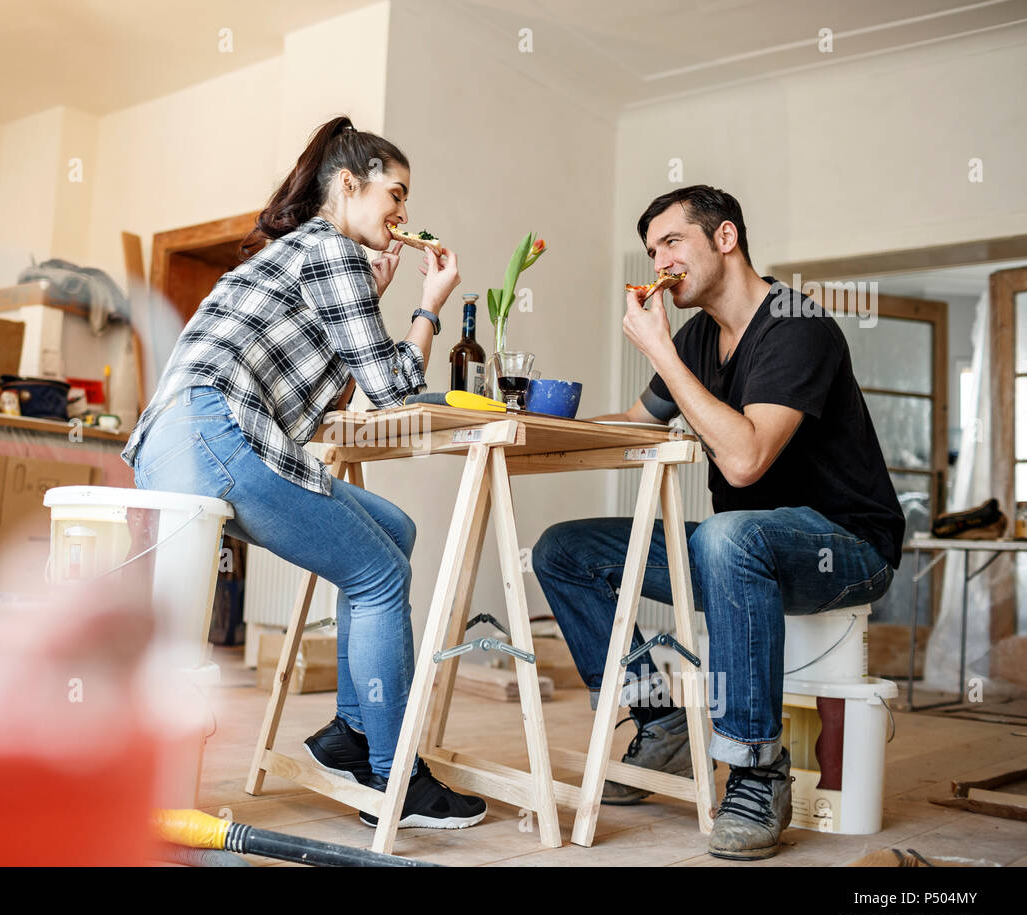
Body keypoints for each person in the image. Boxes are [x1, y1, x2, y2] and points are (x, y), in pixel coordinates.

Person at [123, 116, 487, 830]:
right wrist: (428, 308)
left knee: (395, 530)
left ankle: (351, 734)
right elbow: (390, 388)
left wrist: (380, 305)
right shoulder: (331, 250)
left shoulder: (307, 254)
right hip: (215, 436)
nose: (404, 215)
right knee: (380, 575)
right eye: (396, 193)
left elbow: (331, 393)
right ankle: (395, 774)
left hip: (181, 441)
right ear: (348, 185)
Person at [532, 185, 904, 860]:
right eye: (651, 250)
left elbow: (743, 461)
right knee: (562, 550)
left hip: (845, 547)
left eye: (672, 242)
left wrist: (659, 352)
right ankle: (659, 716)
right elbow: (640, 423)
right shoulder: (704, 335)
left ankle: (758, 773)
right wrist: (535, 424)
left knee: (730, 532)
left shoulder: (797, 326)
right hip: (739, 554)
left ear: (724, 239)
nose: (660, 260)